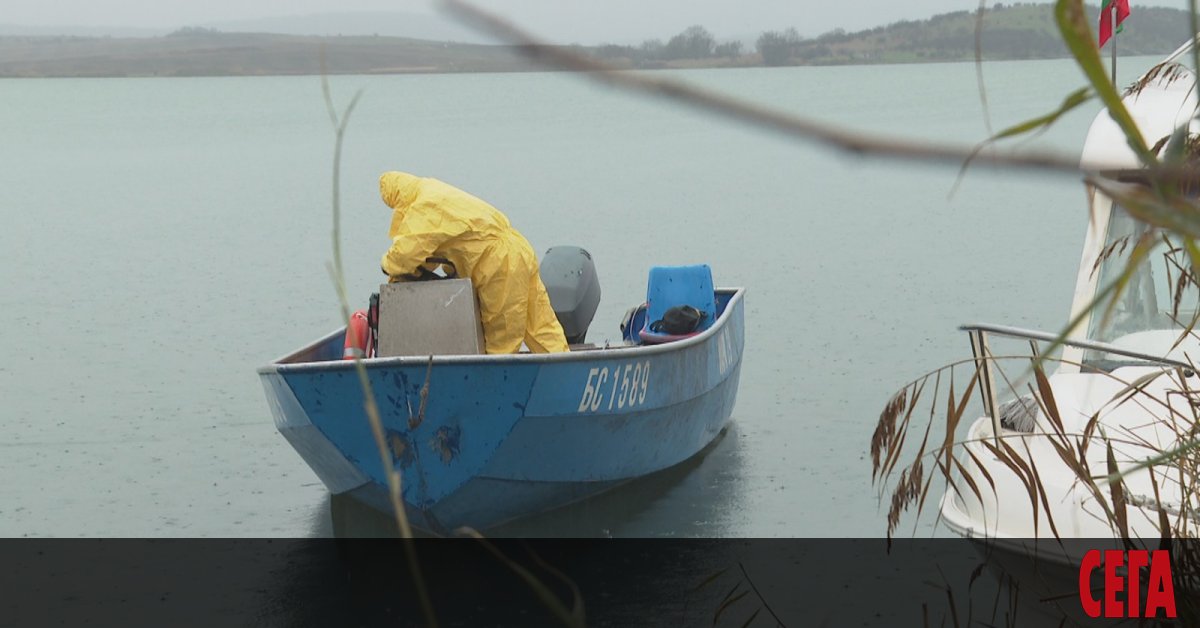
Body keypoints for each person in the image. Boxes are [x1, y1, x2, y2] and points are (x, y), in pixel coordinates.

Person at [378, 171, 569, 354]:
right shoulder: (435, 191)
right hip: (519, 248)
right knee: (540, 324)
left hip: (499, 263)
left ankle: (497, 382)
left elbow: (406, 254)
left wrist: (387, 265)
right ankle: (566, 370)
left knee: (502, 335)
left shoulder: (423, 207)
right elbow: (432, 249)